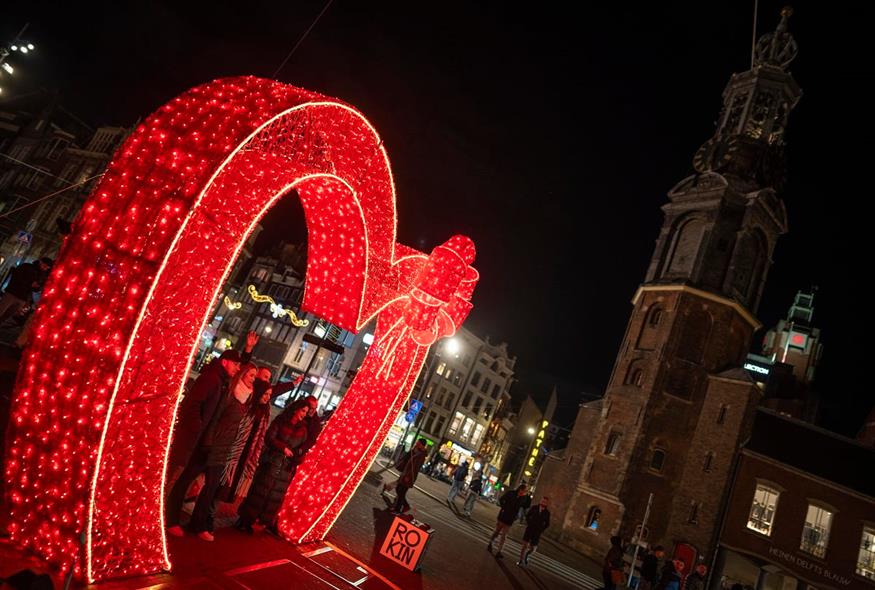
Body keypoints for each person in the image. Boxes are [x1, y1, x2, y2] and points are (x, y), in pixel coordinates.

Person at [166, 362, 257, 541]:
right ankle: (171, 518)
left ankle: (198, 525)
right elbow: (215, 419)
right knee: (186, 480)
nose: (253, 379)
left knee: (211, 487)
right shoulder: (231, 394)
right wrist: (207, 442)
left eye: (254, 376)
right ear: (242, 375)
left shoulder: (245, 399)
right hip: (210, 446)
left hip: (223, 449)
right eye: (251, 375)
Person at [167, 349, 242, 484]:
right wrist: (197, 428)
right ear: (224, 362)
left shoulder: (219, 380)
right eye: (235, 364)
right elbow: (193, 404)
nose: (238, 368)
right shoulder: (212, 378)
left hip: (193, 438)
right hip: (187, 437)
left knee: (174, 475)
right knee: (170, 474)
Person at [236, 399, 310, 532]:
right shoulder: (282, 420)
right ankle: (245, 519)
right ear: (296, 409)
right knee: (259, 492)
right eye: (303, 410)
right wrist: (283, 448)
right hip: (271, 462)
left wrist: (297, 456)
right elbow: (270, 437)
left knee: (272, 498)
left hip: (285, 469)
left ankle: (261, 521)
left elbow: (302, 449)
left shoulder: (303, 429)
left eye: (306, 412)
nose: (304, 414)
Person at [216, 379, 272, 503]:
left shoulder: (265, 412)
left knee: (230, 486)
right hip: (235, 449)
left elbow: (261, 436)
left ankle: (212, 514)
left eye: (269, 395)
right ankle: (209, 512)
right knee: (221, 483)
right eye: (265, 394)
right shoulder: (247, 405)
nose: (268, 398)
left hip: (247, 452)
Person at [0, 257, 52, 326]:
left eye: (47, 268)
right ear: (40, 262)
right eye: (44, 266)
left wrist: (37, 287)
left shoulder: (41, 275)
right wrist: (30, 283)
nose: (45, 268)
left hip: (22, 298)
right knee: (1, 310)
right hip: (12, 293)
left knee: (8, 315)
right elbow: (16, 277)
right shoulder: (27, 266)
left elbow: (35, 288)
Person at [487, 483, 528, 559]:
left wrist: (516, 516)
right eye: (525, 491)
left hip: (510, 519)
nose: (525, 492)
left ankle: (499, 551)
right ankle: (490, 542)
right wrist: (504, 508)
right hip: (503, 515)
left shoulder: (522, 499)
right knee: (497, 531)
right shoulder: (511, 493)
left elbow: (520, 508)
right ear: (520, 489)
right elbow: (501, 499)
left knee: (504, 536)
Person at [391, 438, 428, 514]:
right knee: (399, 489)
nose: (416, 444)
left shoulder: (421, 455)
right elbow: (407, 458)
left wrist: (409, 476)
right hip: (405, 474)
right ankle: (403, 506)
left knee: (401, 491)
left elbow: (415, 467)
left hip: (409, 476)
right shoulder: (417, 451)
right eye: (416, 442)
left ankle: (398, 509)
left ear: (422, 445)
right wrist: (413, 450)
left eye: (418, 443)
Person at [517, 496, 550, 566]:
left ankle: (527, 555)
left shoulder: (547, 513)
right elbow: (528, 515)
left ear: (547, 503)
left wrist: (542, 529)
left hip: (537, 532)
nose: (543, 502)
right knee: (524, 546)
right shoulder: (534, 508)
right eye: (542, 501)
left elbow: (547, 524)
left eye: (545, 502)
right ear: (540, 501)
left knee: (532, 548)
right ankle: (520, 560)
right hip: (529, 529)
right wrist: (529, 522)